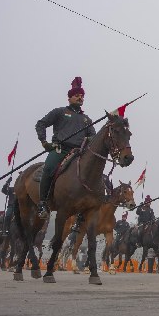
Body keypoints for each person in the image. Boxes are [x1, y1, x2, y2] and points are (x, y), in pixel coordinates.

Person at [34, 77, 96, 218]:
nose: (80, 98)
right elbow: (41, 124)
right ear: (69, 98)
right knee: (49, 168)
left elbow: (94, 136)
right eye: (77, 96)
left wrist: (90, 139)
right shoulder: (60, 112)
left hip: (79, 152)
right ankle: (42, 202)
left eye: (82, 96)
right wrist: (44, 142)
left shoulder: (87, 119)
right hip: (60, 149)